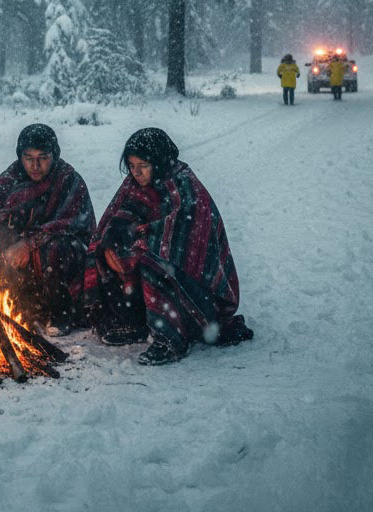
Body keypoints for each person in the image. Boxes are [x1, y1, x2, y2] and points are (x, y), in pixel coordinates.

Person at [84, 127, 253, 366]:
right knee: (102, 249)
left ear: (159, 161)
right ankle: (130, 321)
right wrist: (111, 244)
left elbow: (175, 244)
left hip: (196, 293)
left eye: (143, 165)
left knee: (152, 259)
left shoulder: (185, 186)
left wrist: (133, 245)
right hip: (154, 264)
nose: (136, 172)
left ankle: (171, 338)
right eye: (131, 165)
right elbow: (116, 220)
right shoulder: (134, 184)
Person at [0, 123, 96, 334]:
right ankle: (22, 310)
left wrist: (29, 244)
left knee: (55, 250)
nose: (35, 165)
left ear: (54, 156)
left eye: (43, 157)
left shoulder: (69, 180)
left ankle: (62, 314)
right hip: (19, 256)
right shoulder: (9, 180)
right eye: (28, 158)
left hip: (62, 255)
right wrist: (6, 243)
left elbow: (73, 224)